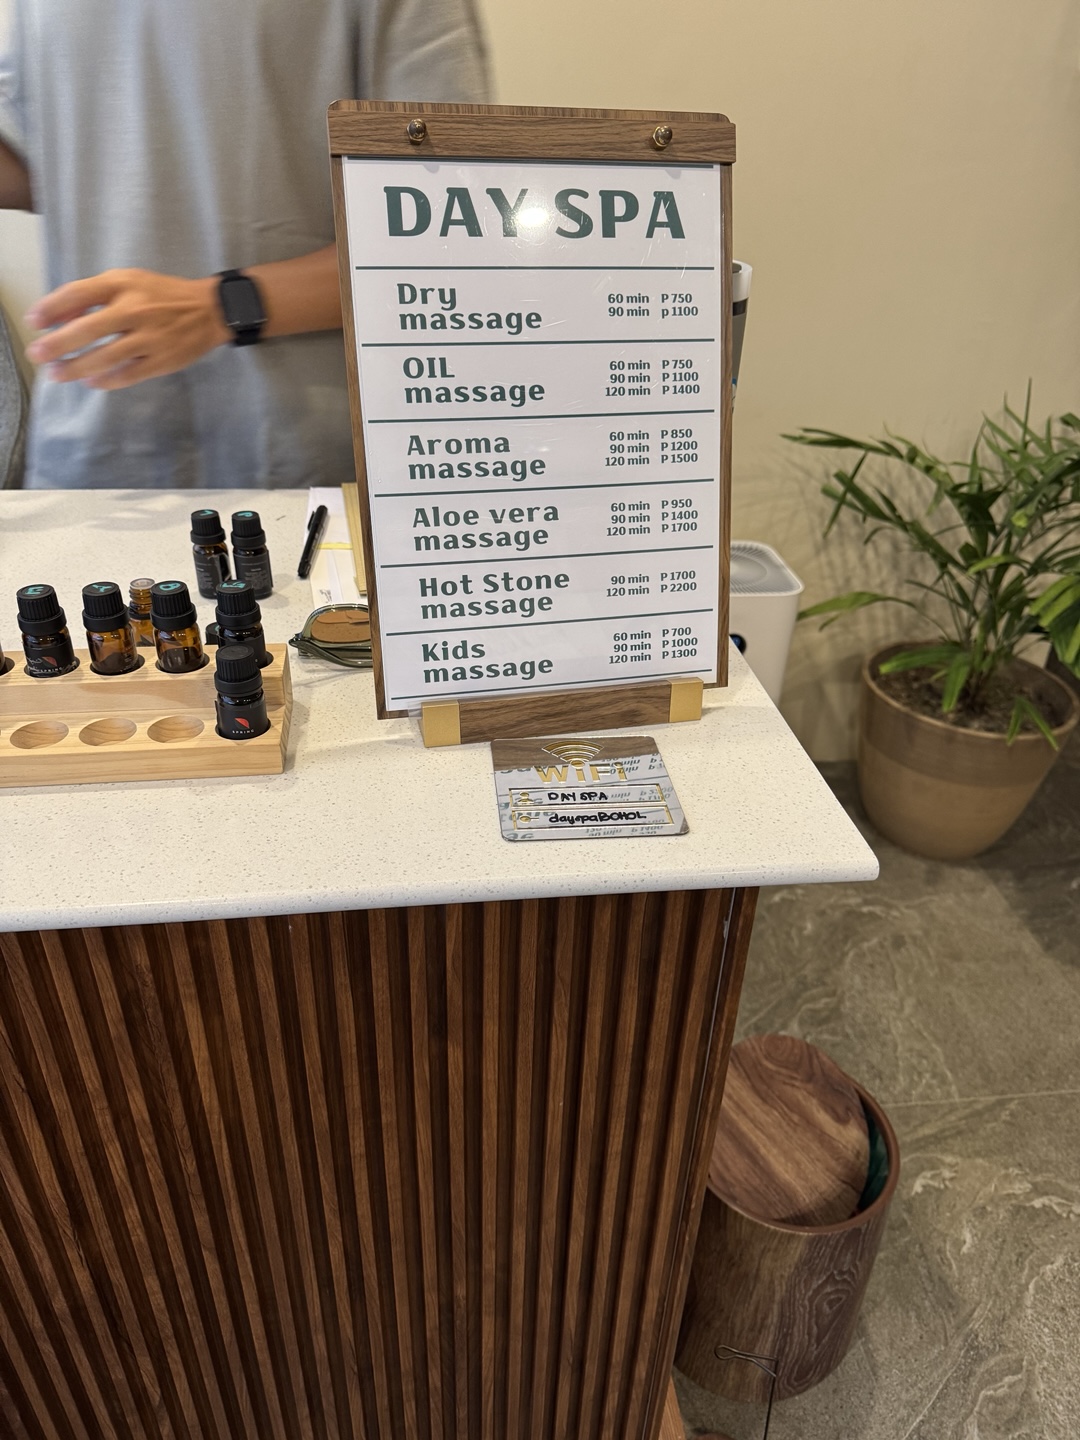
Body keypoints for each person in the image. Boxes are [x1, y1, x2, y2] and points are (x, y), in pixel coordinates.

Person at [0, 0, 489, 489]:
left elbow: (452, 232)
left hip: (305, 467)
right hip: (85, 465)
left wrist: (223, 308)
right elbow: (57, 168)